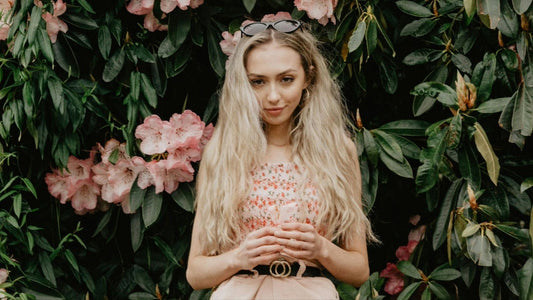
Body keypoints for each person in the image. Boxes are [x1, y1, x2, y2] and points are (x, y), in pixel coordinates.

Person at [186, 19, 377, 299]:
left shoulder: (337, 151)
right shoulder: (223, 152)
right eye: (258, 82)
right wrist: (239, 257)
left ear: (308, 77)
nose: (272, 96)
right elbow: (196, 273)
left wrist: (321, 248)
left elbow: (359, 271)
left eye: (286, 79)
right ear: (243, 83)